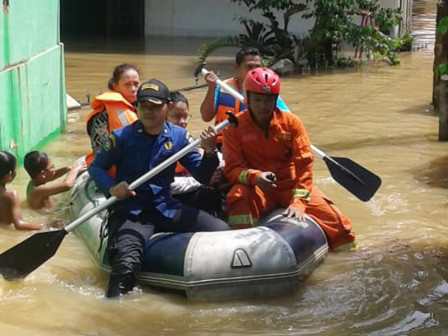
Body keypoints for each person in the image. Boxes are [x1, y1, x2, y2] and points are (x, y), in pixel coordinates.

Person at [88, 79, 229, 298]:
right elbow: (96, 167)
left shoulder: (179, 137)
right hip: (131, 212)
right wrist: (112, 187)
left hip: (166, 207)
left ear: (167, 106)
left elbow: (202, 175)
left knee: (221, 232)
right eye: (143, 105)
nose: (148, 111)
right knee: (125, 268)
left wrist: (209, 152)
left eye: (155, 106)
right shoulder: (121, 137)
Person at [222, 67, 356, 251]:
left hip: (290, 186)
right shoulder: (234, 128)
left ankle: (351, 259)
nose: (263, 106)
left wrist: (298, 202)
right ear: (247, 99)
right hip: (257, 188)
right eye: (258, 100)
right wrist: (255, 177)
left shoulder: (291, 123)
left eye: (268, 100)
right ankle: (241, 249)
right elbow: (232, 169)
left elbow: (304, 164)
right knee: (237, 195)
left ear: (276, 100)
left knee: (339, 224)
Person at [200, 47, 289, 149]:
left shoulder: (266, 92)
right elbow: (206, 117)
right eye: (249, 67)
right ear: (236, 68)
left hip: (252, 147)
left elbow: (288, 121)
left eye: (257, 67)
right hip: (222, 144)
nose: (253, 71)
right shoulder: (222, 87)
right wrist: (211, 88)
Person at [167, 91, 224, 217]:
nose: (182, 122)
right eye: (176, 116)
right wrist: (199, 181)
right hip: (166, 199)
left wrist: (212, 153)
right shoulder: (159, 143)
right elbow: (168, 185)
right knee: (207, 194)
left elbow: (203, 162)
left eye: (185, 116)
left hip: (186, 189)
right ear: (164, 116)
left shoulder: (185, 139)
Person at [85, 63, 140, 166]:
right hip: (113, 170)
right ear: (115, 86)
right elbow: (99, 153)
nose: (133, 89)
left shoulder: (142, 107)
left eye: (136, 84)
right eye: (127, 85)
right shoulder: (102, 115)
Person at [0, 151, 43, 230]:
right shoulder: (11, 195)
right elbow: (19, 224)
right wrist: (44, 227)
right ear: (9, 175)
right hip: (10, 233)